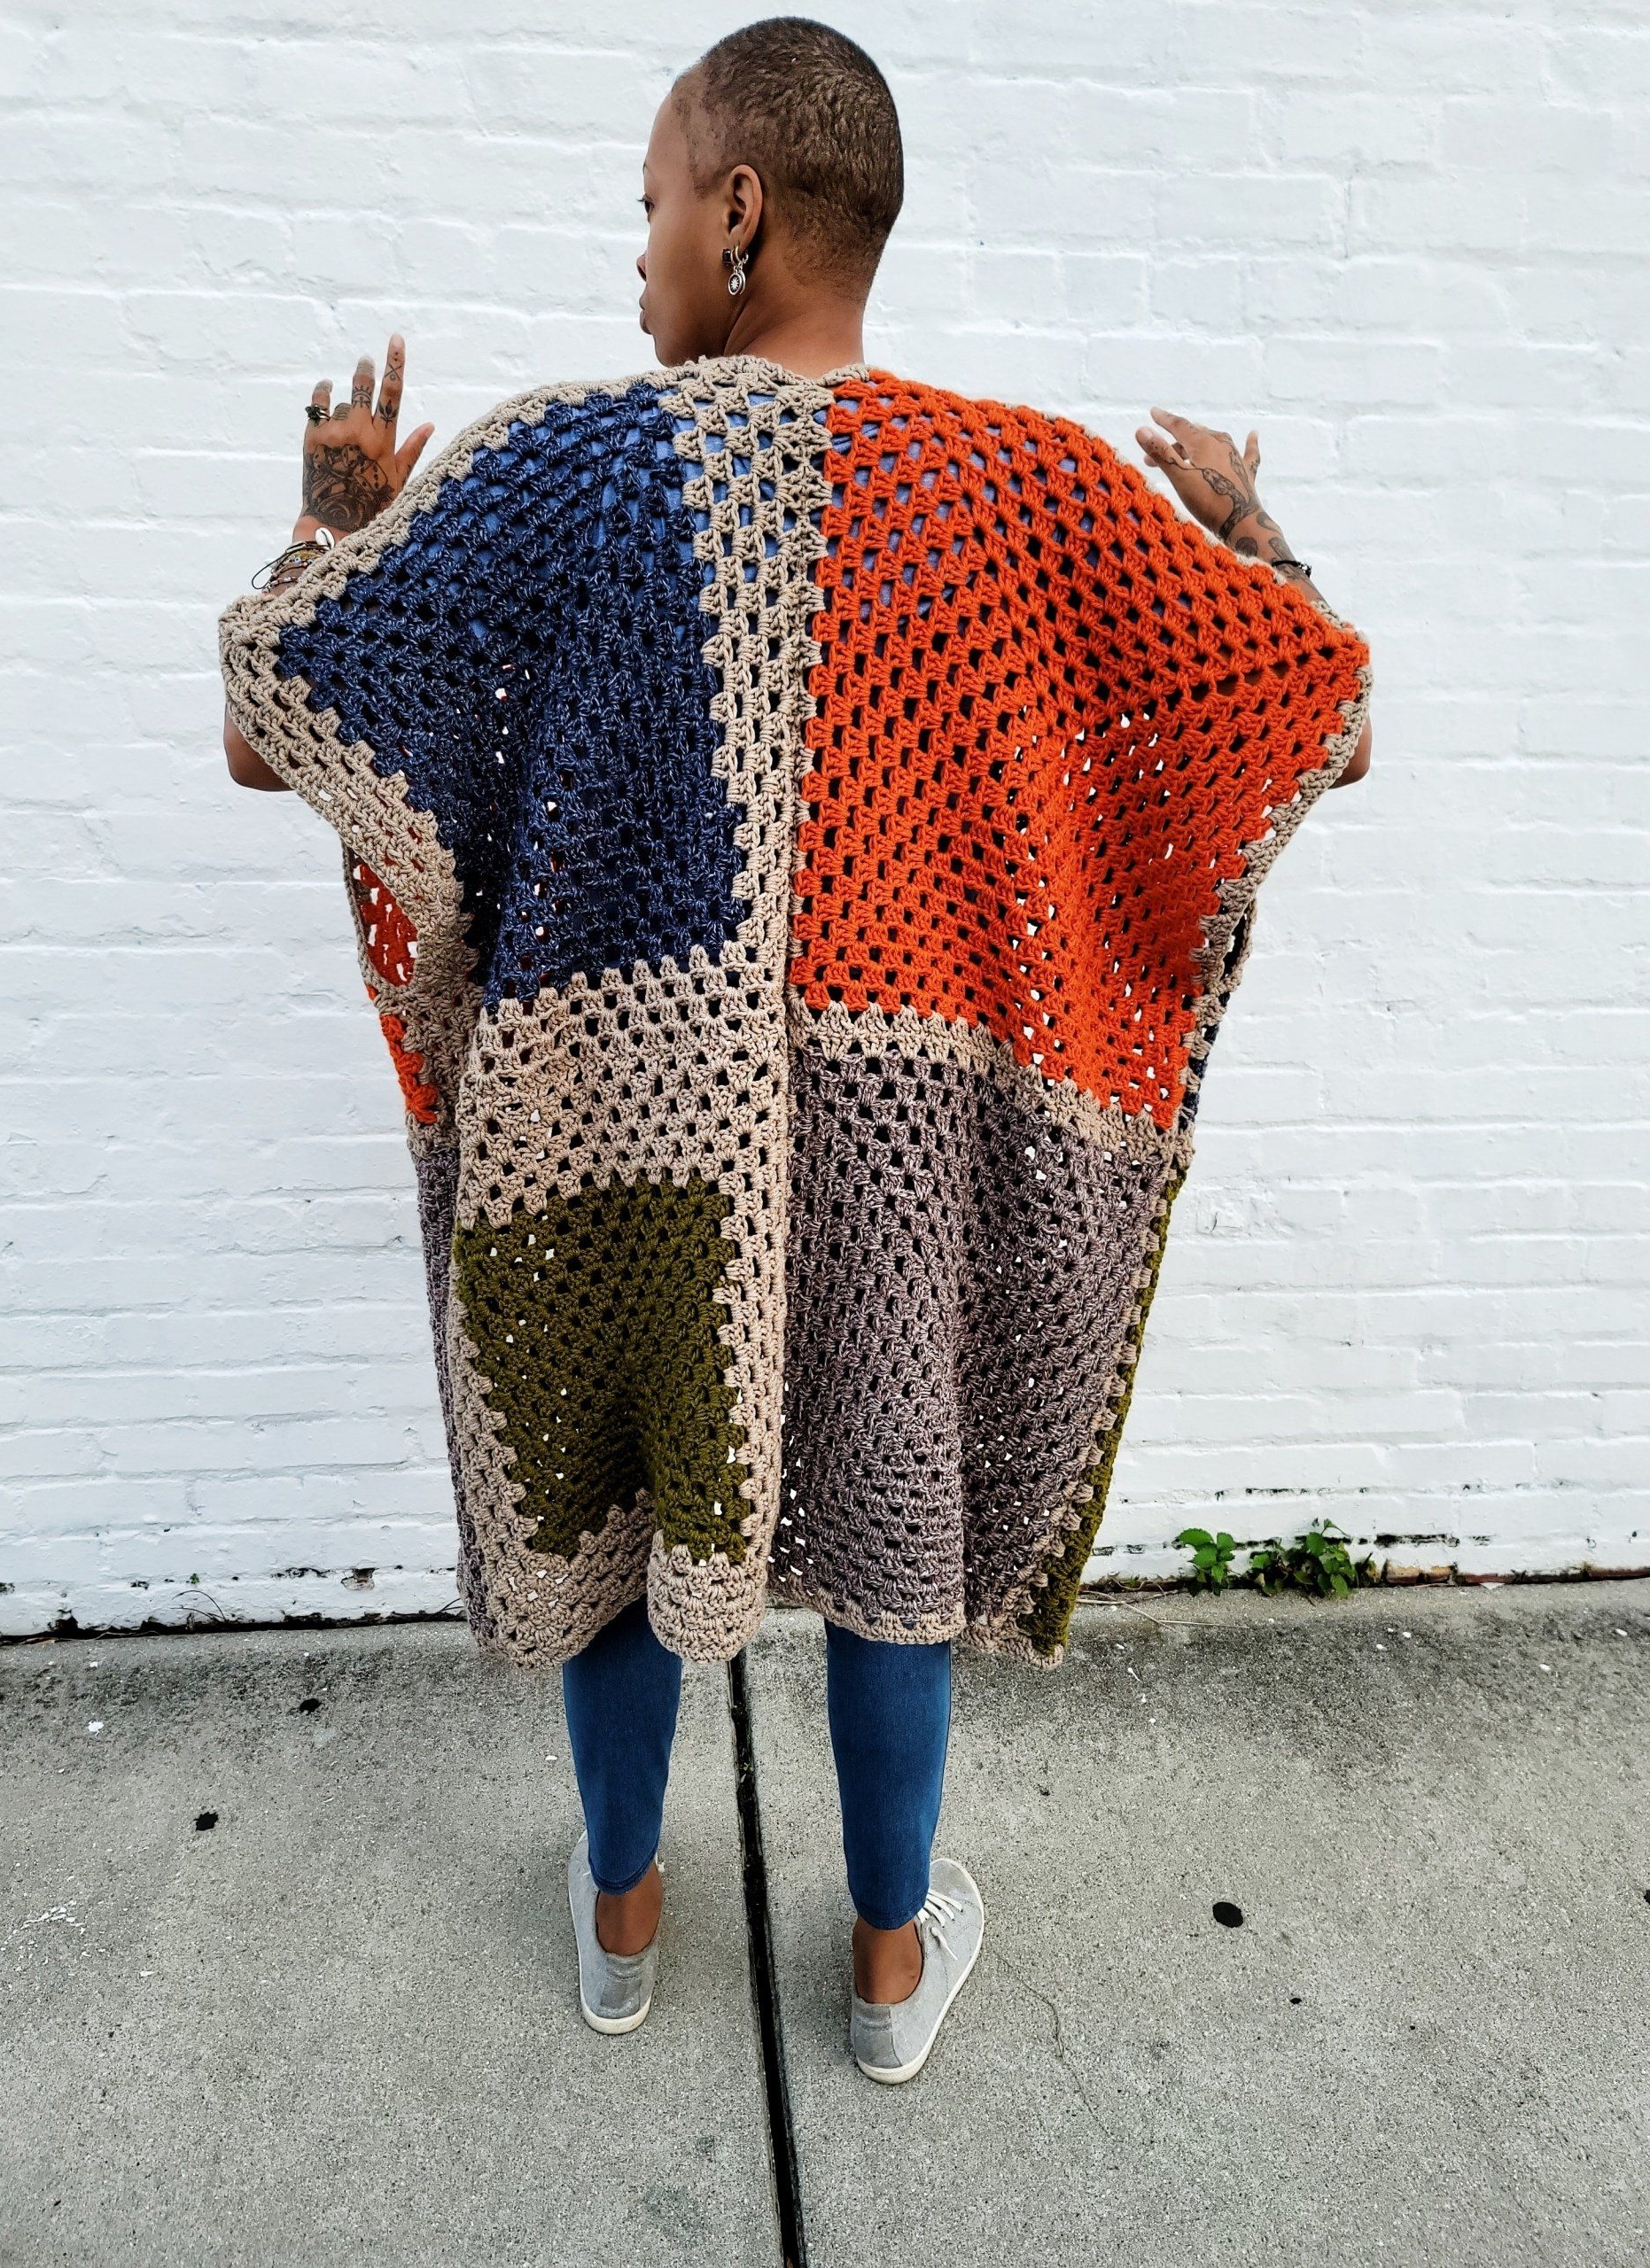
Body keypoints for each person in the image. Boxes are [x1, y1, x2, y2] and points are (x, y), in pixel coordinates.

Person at [221, 18, 1371, 2084]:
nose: (638, 253)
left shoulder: (562, 465)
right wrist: (1249, 536)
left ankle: (625, 1919)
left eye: (652, 203)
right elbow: (1315, 718)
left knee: (616, 1487)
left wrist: (329, 526)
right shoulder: (1036, 487)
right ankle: (892, 1966)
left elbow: (267, 726)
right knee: (890, 1513)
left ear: (741, 207)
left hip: (613, 1112)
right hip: (904, 1137)